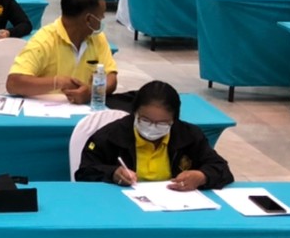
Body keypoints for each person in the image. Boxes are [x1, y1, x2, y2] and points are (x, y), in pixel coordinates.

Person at [75, 80, 233, 191]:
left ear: (174, 120)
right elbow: (84, 172)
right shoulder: (110, 136)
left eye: (162, 123)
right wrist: (113, 174)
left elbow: (221, 169)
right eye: (145, 120)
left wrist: (202, 176)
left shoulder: (189, 136)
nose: (152, 127)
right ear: (135, 113)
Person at [6, 0, 117, 103]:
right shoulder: (43, 40)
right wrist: (57, 82)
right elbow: (13, 83)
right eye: (101, 17)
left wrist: (91, 92)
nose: (101, 21)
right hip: (47, 109)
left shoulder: (98, 38)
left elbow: (111, 77)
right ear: (89, 19)